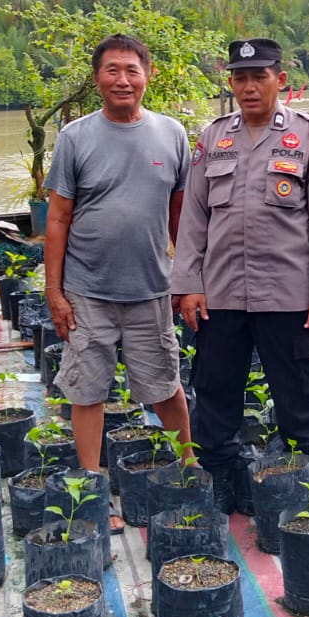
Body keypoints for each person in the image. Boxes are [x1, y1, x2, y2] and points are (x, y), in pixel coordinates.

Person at [172, 37, 309, 512]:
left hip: (288, 296)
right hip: (221, 293)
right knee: (215, 392)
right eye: (240, 78)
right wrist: (187, 284)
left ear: (280, 81)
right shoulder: (212, 138)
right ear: (230, 83)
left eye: (259, 77)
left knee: (300, 396)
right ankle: (222, 484)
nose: (249, 87)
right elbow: (194, 218)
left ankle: (306, 491)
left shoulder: (308, 136)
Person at [43, 33, 194, 530]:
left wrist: (189, 278)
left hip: (151, 288)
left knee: (165, 385)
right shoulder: (75, 137)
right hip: (87, 290)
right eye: (112, 70)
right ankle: (92, 491)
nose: (122, 80)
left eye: (132, 69)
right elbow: (57, 218)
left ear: (148, 75)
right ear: (97, 79)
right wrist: (54, 291)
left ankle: (189, 469)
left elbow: (180, 214)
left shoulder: (172, 134)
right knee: (88, 391)